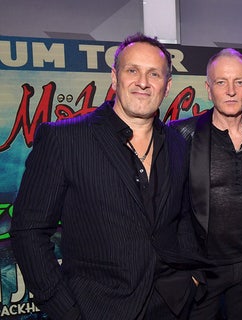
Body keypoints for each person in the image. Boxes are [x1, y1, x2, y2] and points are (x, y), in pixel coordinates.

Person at [10, 33, 204, 319]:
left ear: (167, 85)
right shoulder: (65, 140)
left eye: (154, 74)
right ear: (115, 77)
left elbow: (184, 216)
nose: (142, 82)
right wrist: (65, 310)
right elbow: (28, 232)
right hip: (97, 310)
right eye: (132, 70)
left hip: (171, 305)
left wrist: (192, 278)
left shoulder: (177, 143)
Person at [169, 48, 242, 320]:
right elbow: (169, 207)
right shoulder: (181, 135)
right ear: (208, 88)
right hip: (202, 269)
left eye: (239, 82)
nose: (231, 90)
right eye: (221, 82)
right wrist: (183, 267)